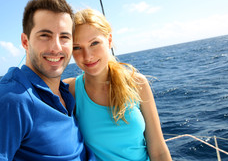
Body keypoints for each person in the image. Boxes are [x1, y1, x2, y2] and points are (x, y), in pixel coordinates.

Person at [0, 0, 95, 161]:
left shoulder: (65, 92)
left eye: (64, 37)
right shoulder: (11, 100)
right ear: (25, 41)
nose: (56, 47)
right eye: (45, 35)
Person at [64, 8, 172, 161]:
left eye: (94, 43)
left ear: (109, 41)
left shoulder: (137, 83)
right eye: (77, 47)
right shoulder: (71, 90)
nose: (87, 56)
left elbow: (159, 151)